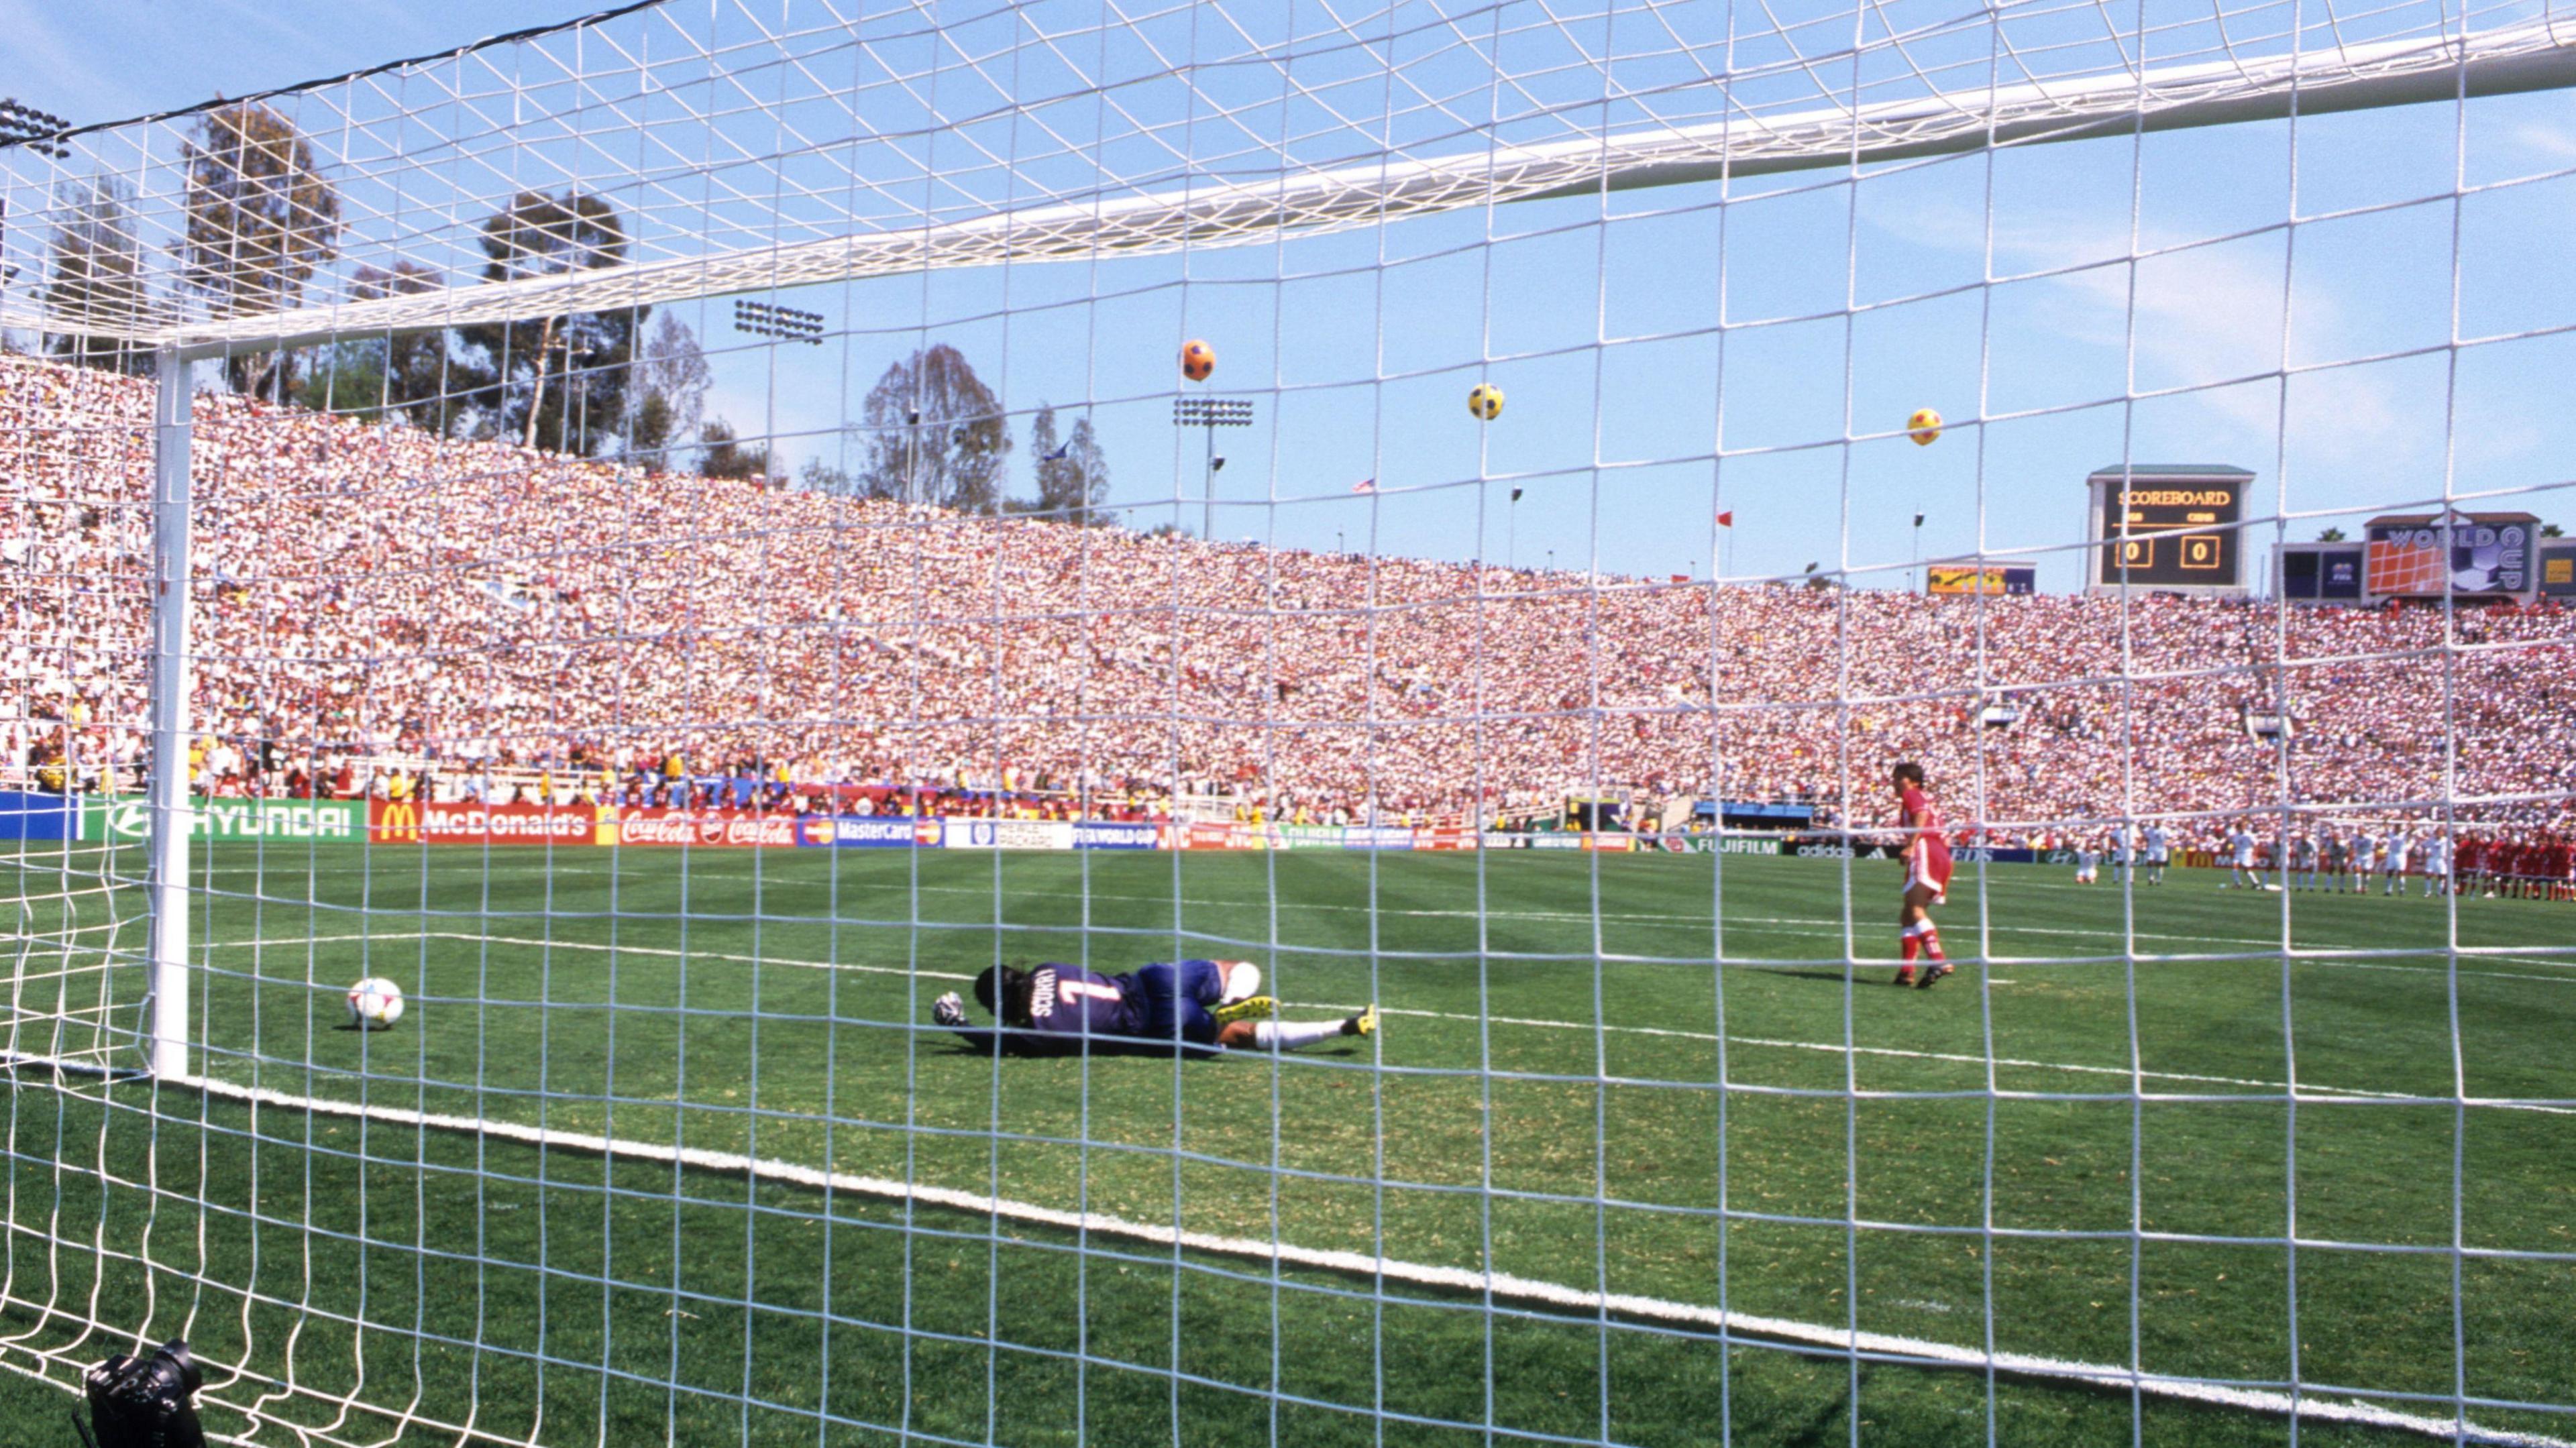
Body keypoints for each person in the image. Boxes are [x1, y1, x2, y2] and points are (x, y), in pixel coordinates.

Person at [931, 959, 1374, 1056]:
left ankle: (1341, 1027)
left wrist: (959, 1024)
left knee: (1237, 1037)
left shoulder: (1034, 1030)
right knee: (1240, 966)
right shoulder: (1048, 968)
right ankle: (1234, 998)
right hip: (1149, 981)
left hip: (1151, 1024)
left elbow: (995, 1041)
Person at [1890, 761, 1953, 988]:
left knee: (1915, 910)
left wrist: (1911, 845)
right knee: (1908, 915)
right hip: (1940, 852)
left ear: (1913, 780)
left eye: (1899, 778)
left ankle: (1938, 960)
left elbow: (1921, 815)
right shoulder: (1923, 797)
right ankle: (1906, 971)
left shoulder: (1913, 794)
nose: (1895, 783)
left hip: (1926, 848)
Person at [2225, 820, 2262, 890]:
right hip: (2238, 852)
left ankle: (2255, 883)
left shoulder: (2249, 835)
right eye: (2240, 827)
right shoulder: (2236, 835)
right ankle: (2238, 883)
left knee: (2246, 869)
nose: (2242, 828)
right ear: (2238, 828)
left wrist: (2255, 854)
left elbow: (2256, 844)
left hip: (2247, 853)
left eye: (2243, 826)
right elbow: (2234, 844)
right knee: (2234, 866)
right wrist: (2230, 848)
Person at [2142, 822, 2170, 886]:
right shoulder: (2149, 829)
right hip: (2152, 847)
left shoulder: (2165, 829)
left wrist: (2168, 842)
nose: (2157, 822)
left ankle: (2159, 880)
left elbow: (2170, 837)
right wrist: (2145, 843)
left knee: (2160, 864)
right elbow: (2146, 837)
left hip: (2161, 848)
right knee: (2150, 862)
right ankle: (2151, 878)